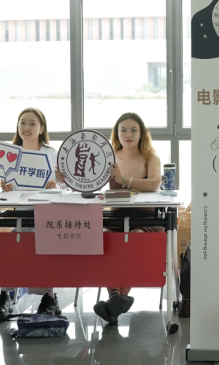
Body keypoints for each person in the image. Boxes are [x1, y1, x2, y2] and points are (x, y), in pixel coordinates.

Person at [0, 108, 62, 322]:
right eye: (22, 122)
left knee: (38, 240)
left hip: (45, 214)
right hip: (20, 212)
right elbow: (8, 191)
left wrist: (56, 186)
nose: (26, 127)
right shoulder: (11, 153)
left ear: (41, 129)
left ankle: (48, 297)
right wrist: (7, 188)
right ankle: (5, 294)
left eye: (32, 123)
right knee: (9, 242)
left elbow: (64, 187)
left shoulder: (52, 154)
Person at [92, 112, 162, 325]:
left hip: (146, 218)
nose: (128, 135)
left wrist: (124, 180)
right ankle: (117, 297)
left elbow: (154, 184)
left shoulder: (151, 157)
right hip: (115, 216)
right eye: (123, 130)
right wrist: (65, 178)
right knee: (103, 237)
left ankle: (116, 298)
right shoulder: (109, 156)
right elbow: (89, 180)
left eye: (133, 130)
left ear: (141, 134)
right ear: (116, 134)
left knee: (135, 239)